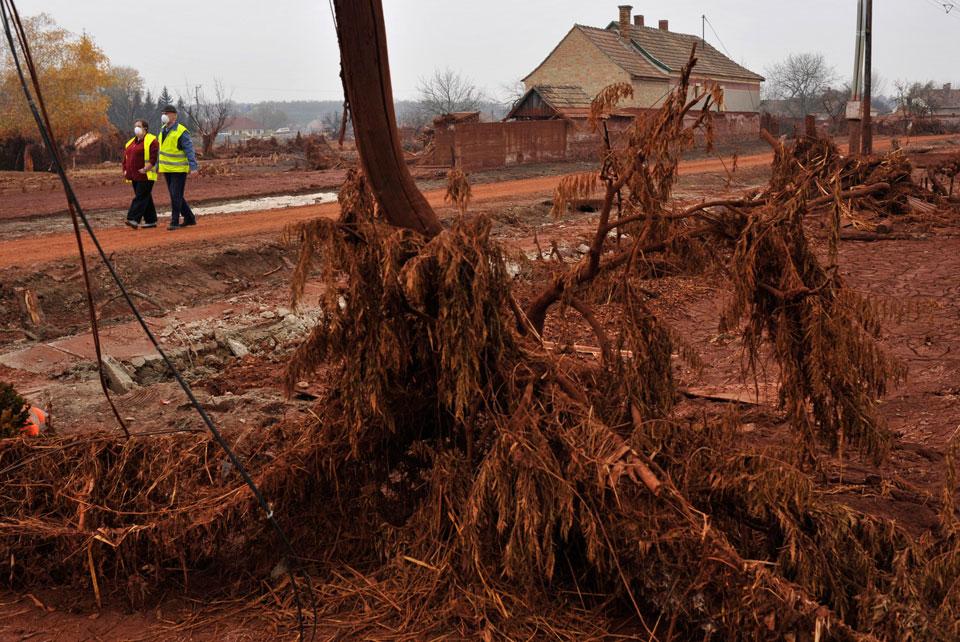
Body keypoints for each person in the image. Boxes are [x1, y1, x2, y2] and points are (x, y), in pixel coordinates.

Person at [157, 105, 199, 230]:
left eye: (167, 113)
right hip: (166, 169)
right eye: (163, 113)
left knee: (175, 195)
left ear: (174, 115)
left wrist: (193, 167)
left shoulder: (181, 131)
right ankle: (190, 218)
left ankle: (174, 221)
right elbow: (161, 149)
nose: (164, 115)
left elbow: (189, 150)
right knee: (176, 195)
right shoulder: (163, 129)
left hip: (179, 170)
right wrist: (157, 165)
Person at [122, 119, 159, 229]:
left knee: (140, 197)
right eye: (135, 126)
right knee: (145, 196)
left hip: (146, 174)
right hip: (134, 176)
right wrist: (124, 169)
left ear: (145, 128)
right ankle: (151, 220)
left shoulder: (152, 140)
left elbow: (154, 157)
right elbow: (125, 159)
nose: (136, 128)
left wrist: (146, 168)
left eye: (139, 126)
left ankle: (133, 219)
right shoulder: (130, 143)